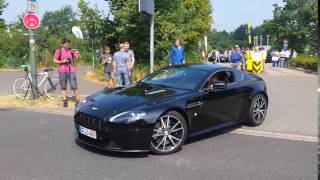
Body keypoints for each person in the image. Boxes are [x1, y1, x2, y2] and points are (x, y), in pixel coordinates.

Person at [53, 38, 80, 108]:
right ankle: (65, 101)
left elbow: (77, 57)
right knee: (63, 86)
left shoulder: (71, 51)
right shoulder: (59, 51)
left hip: (71, 70)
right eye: (65, 44)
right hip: (62, 70)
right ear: (63, 44)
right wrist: (63, 61)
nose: (67, 45)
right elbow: (55, 60)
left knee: (74, 86)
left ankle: (78, 101)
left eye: (68, 44)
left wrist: (78, 53)